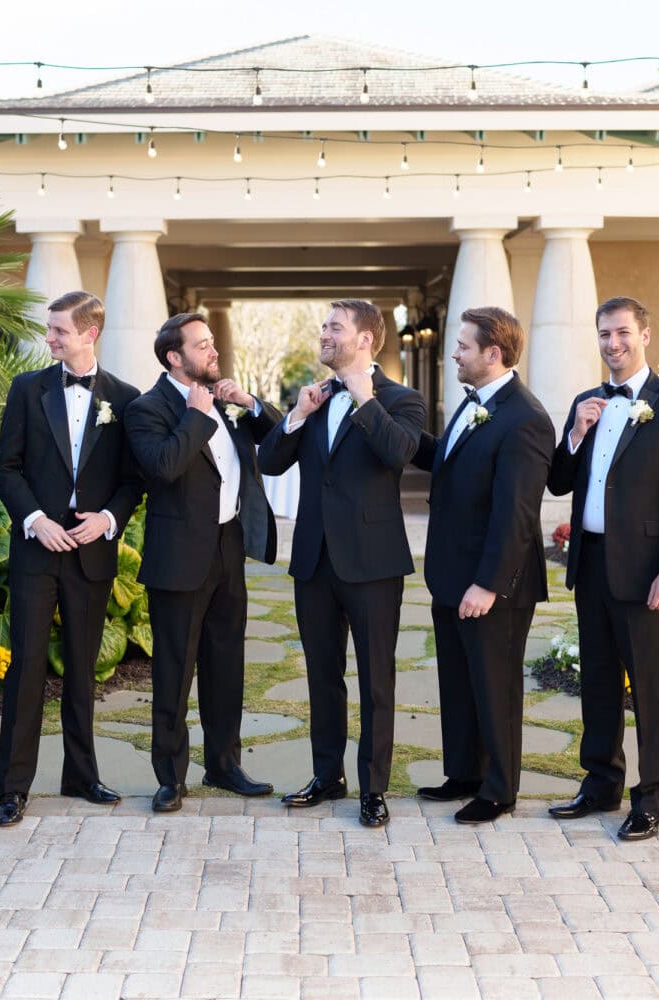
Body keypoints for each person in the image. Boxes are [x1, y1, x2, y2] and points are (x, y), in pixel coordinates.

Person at [258, 299, 426, 828]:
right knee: (321, 676)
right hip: (314, 560)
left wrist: (366, 401)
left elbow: (399, 453)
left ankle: (373, 788)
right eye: (323, 327)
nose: (324, 334)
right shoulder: (313, 396)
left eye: (335, 327)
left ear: (366, 340)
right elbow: (268, 460)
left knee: (377, 680)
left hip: (374, 564)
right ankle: (327, 775)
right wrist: (297, 415)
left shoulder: (403, 400)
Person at [546, 296, 659, 841]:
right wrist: (574, 436)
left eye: (621, 333)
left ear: (645, 335)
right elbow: (559, 480)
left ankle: (654, 796)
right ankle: (600, 784)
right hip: (590, 564)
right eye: (604, 335)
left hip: (645, 573)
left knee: (650, 689)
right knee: (596, 681)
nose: (612, 344)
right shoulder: (585, 401)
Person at [0, 290, 143, 827]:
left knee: (84, 669)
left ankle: (81, 775)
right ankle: (11, 788)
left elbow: (132, 480)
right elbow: (5, 469)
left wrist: (107, 520)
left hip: (91, 554)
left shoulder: (125, 399)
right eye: (49, 329)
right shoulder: (27, 390)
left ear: (89, 333)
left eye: (58, 330)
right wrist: (36, 522)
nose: (48, 338)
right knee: (26, 667)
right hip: (37, 550)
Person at [124, 313, 281, 813]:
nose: (214, 352)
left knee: (225, 665)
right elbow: (164, 468)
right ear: (176, 356)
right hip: (177, 558)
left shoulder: (223, 401)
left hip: (227, 549)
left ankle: (225, 764)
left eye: (213, 343)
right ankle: (170, 777)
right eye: (203, 345)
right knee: (174, 670)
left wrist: (248, 404)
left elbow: (278, 439)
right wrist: (196, 415)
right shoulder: (146, 408)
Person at [410, 307, 553, 823]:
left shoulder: (526, 418)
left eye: (463, 347)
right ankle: (465, 772)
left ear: (493, 354)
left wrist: (488, 585)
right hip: (452, 574)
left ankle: (499, 790)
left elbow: (516, 514)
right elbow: (445, 459)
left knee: (495, 686)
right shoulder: (473, 405)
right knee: (459, 679)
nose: (455, 354)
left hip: (496, 584)